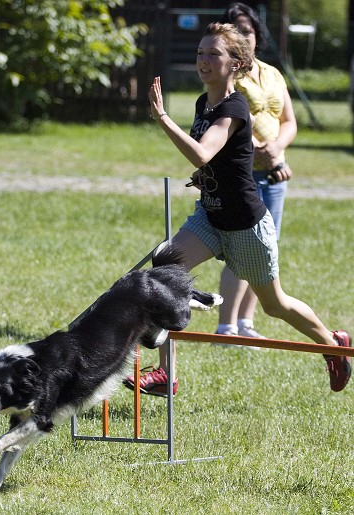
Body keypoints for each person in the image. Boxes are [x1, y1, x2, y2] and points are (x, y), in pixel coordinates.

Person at [123, 22, 351, 396]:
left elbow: (201, 150)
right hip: (210, 217)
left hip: (246, 226)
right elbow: (212, 159)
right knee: (165, 270)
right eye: (200, 53)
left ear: (237, 65)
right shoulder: (203, 103)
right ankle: (167, 375)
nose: (204, 61)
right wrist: (204, 176)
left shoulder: (234, 107)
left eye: (214, 54)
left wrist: (163, 117)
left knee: (275, 306)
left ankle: (332, 343)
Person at [216, 2, 297, 340]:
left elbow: (289, 122)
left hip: (275, 174)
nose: (243, 35)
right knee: (239, 249)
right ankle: (226, 326)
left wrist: (277, 150)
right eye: (235, 31)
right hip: (243, 173)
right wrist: (257, 152)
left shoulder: (273, 74)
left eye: (247, 30)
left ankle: (246, 324)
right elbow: (223, 120)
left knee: (265, 249)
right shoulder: (227, 76)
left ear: (256, 34)